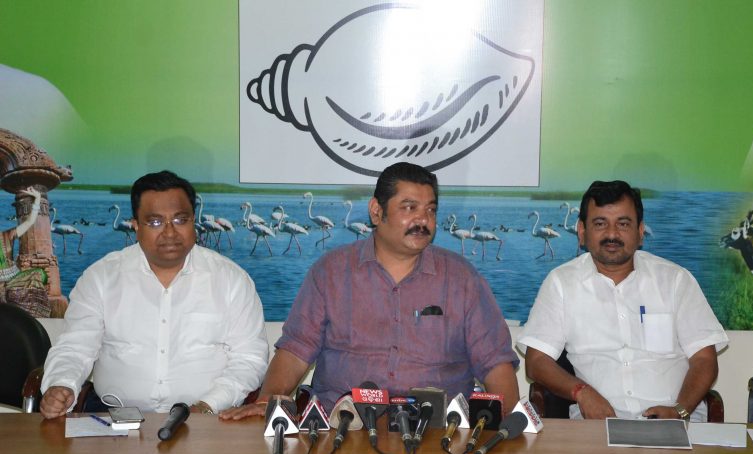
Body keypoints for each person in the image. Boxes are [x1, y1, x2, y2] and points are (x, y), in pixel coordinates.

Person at [221, 162, 520, 419]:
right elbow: (296, 352)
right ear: (376, 212)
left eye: (430, 210)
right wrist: (266, 401)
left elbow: (496, 363)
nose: (423, 220)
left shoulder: (461, 278)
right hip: (342, 427)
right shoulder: (332, 272)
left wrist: (506, 423)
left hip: (439, 433)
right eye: (409, 208)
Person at [40, 171, 268, 418]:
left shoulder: (231, 280)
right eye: (156, 222)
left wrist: (208, 405)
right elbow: (75, 347)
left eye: (181, 220)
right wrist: (61, 385)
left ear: (194, 221)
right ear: (136, 226)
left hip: (208, 420)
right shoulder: (101, 277)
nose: (170, 233)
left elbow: (249, 358)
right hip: (113, 419)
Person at [518, 180, 728, 421]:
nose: (612, 234)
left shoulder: (675, 280)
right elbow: (536, 362)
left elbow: (704, 359)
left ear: (640, 232)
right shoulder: (561, 283)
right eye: (600, 224)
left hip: (675, 423)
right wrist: (582, 393)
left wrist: (680, 410)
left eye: (623, 224)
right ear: (582, 231)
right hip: (596, 429)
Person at [0, 186, 50, 317]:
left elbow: (29, 222)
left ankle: (32, 316)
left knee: (38, 274)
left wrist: (37, 200)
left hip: (12, 279)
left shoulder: (7, 235)